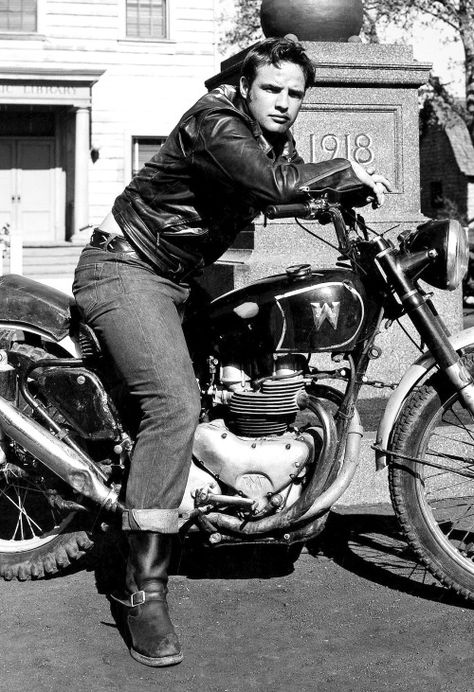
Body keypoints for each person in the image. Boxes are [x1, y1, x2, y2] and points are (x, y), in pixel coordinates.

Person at [72, 36, 391, 668]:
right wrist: (344, 172)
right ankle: (145, 589)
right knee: (174, 405)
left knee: (234, 371)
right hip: (126, 269)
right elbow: (271, 183)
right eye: (272, 89)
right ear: (246, 86)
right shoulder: (214, 121)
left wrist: (337, 201)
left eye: (295, 94)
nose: (284, 103)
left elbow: (286, 190)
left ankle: (193, 495)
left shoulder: (268, 140)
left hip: (176, 276)